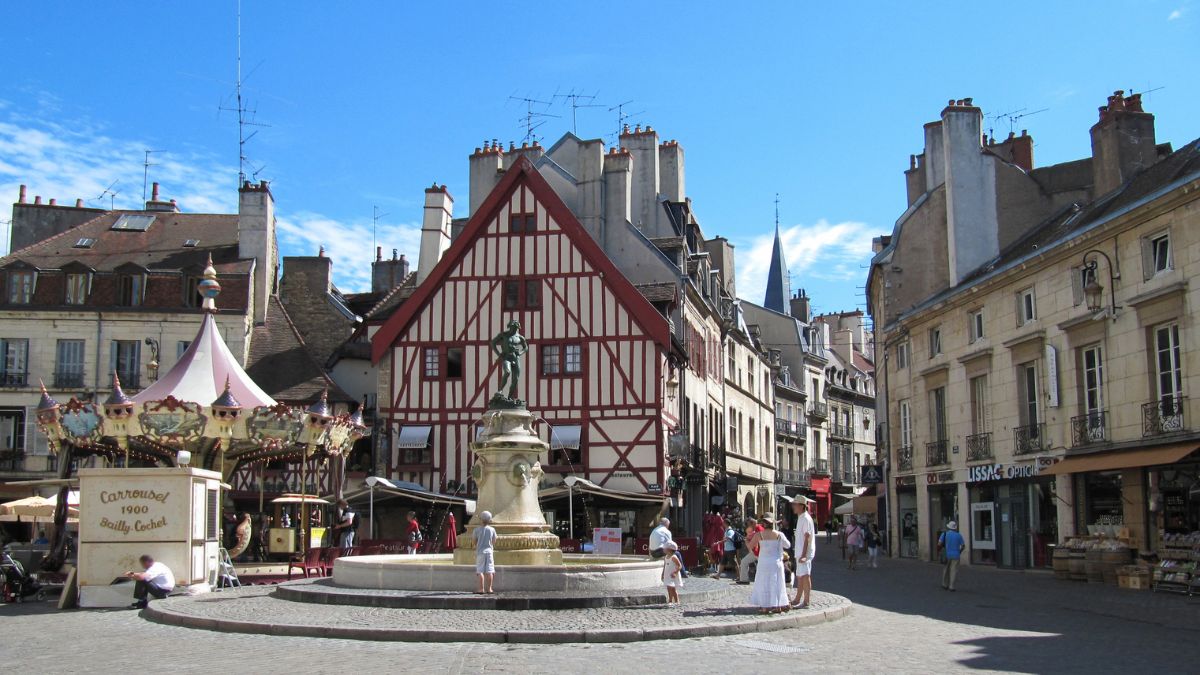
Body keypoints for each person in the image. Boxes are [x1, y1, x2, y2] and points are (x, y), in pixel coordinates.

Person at [749, 515, 791, 614]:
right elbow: (788, 545)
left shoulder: (759, 535)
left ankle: (765, 607)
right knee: (776, 584)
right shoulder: (779, 534)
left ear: (764, 523)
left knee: (764, 583)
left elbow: (751, 546)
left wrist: (747, 541)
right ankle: (777, 605)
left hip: (763, 562)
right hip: (776, 562)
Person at [786, 495, 816, 609]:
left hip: (805, 553)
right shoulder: (801, 517)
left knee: (805, 576)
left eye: (795, 504)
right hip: (800, 552)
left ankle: (806, 601)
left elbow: (807, 538)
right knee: (800, 576)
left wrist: (804, 555)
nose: (793, 506)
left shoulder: (806, 519)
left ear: (801, 506)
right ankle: (798, 599)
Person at [473, 511, 497, 594]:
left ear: (480, 519)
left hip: (480, 552)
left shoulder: (476, 530)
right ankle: (489, 589)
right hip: (489, 552)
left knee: (480, 571)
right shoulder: (492, 530)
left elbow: (474, 541)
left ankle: (481, 589)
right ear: (489, 520)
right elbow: (494, 541)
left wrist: (478, 545)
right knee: (490, 570)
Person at [939, 520, 966, 591]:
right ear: (955, 528)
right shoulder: (959, 535)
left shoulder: (944, 534)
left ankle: (944, 584)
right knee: (953, 570)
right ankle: (951, 586)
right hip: (956, 555)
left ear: (949, 527)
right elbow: (963, 546)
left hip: (947, 554)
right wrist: (959, 551)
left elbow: (939, 544)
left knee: (946, 569)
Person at [738, 517, 765, 584]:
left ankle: (761, 582)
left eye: (748, 525)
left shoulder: (759, 529)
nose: (748, 526)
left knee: (761, 567)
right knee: (744, 561)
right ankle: (744, 580)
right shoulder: (756, 529)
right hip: (756, 552)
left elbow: (758, 541)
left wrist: (747, 540)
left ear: (752, 523)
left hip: (760, 552)